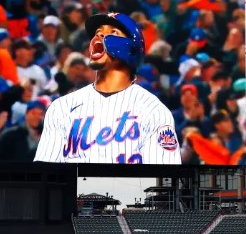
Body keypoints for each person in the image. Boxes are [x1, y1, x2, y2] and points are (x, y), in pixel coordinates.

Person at [34, 12, 181, 164]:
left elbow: (165, 179)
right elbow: (45, 176)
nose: (99, 38)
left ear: (132, 49)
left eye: (113, 33)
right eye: (98, 33)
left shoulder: (153, 110)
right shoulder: (62, 108)